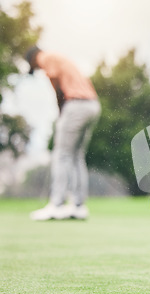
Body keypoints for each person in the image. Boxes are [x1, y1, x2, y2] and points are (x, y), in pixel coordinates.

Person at [25, 46, 101, 221]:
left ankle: (56, 205)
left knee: (62, 154)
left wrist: (61, 112)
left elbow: (58, 87)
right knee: (76, 155)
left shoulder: (45, 58)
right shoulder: (60, 58)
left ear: (32, 59)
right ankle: (78, 206)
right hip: (92, 105)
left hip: (76, 104)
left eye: (33, 67)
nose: (37, 69)